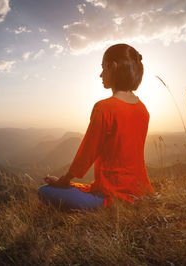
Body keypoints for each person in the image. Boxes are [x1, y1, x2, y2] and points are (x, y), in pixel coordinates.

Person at [37, 43, 155, 210]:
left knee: (44, 191)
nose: (101, 75)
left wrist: (64, 180)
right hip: (139, 192)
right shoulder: (143, 109)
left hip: (111, 196)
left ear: (113, 67)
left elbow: (88, 151)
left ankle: (102, 204)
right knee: (76, 189)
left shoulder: (104, 107)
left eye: (103, 68)